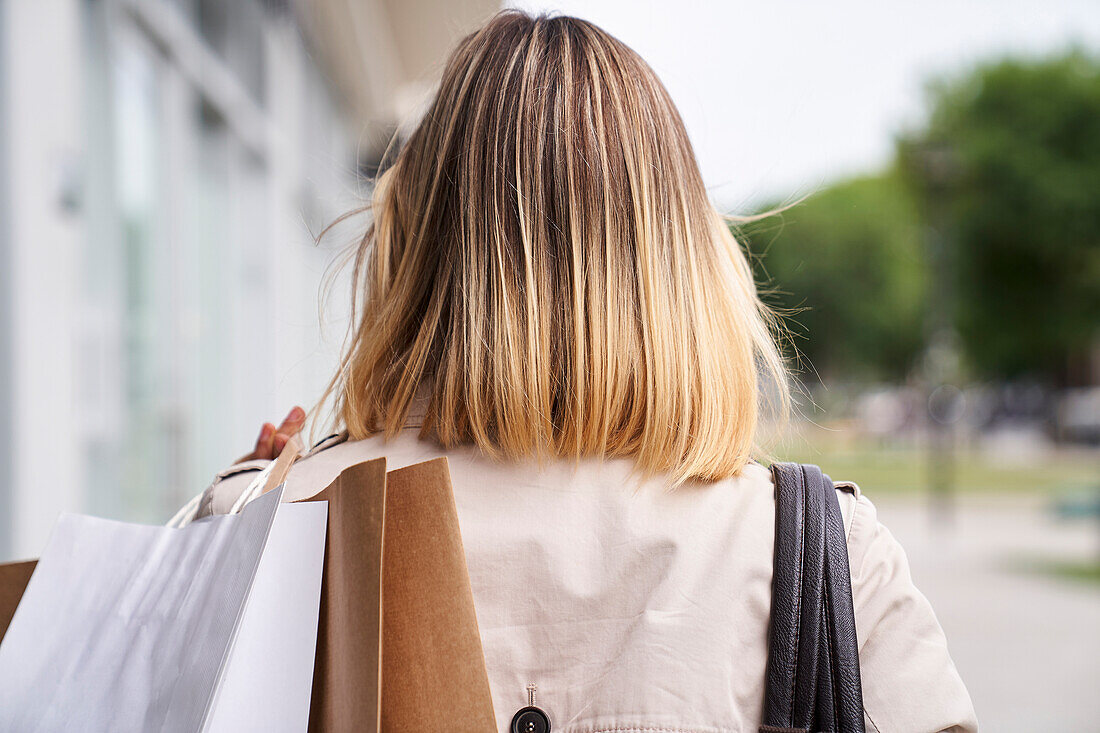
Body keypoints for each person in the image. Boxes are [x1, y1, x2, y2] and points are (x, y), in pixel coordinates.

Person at [197, 11, 977, 732]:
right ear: (686, 259)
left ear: (409, 248)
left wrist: (248, 495)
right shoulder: (820, 555)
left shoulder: (268, 527)